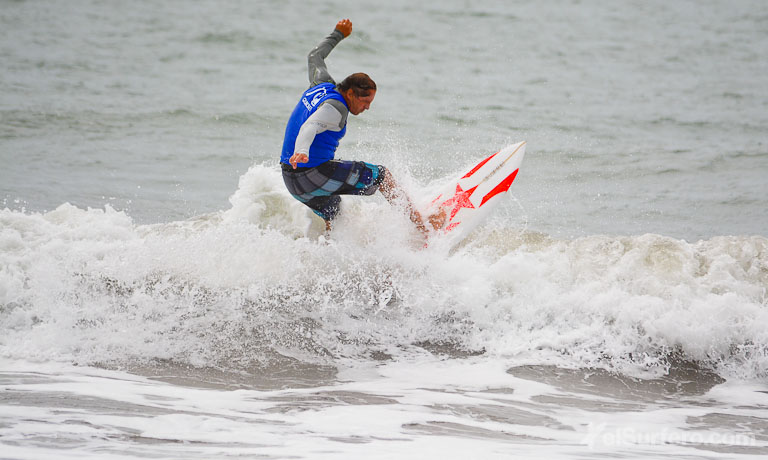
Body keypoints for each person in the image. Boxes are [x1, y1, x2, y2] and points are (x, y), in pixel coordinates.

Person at [280, 19, 442, 235]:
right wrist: (302, 150)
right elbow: (310, 126)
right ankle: (423, 227)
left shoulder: (320, 85)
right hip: (309, 173)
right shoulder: (336, 108)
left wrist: (338, 33)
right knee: (381, 176)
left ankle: (329, 256)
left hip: (292, 180)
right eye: (365, 102)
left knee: (334, 209)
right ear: (350, 94)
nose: (367, 108)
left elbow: (315, 56)